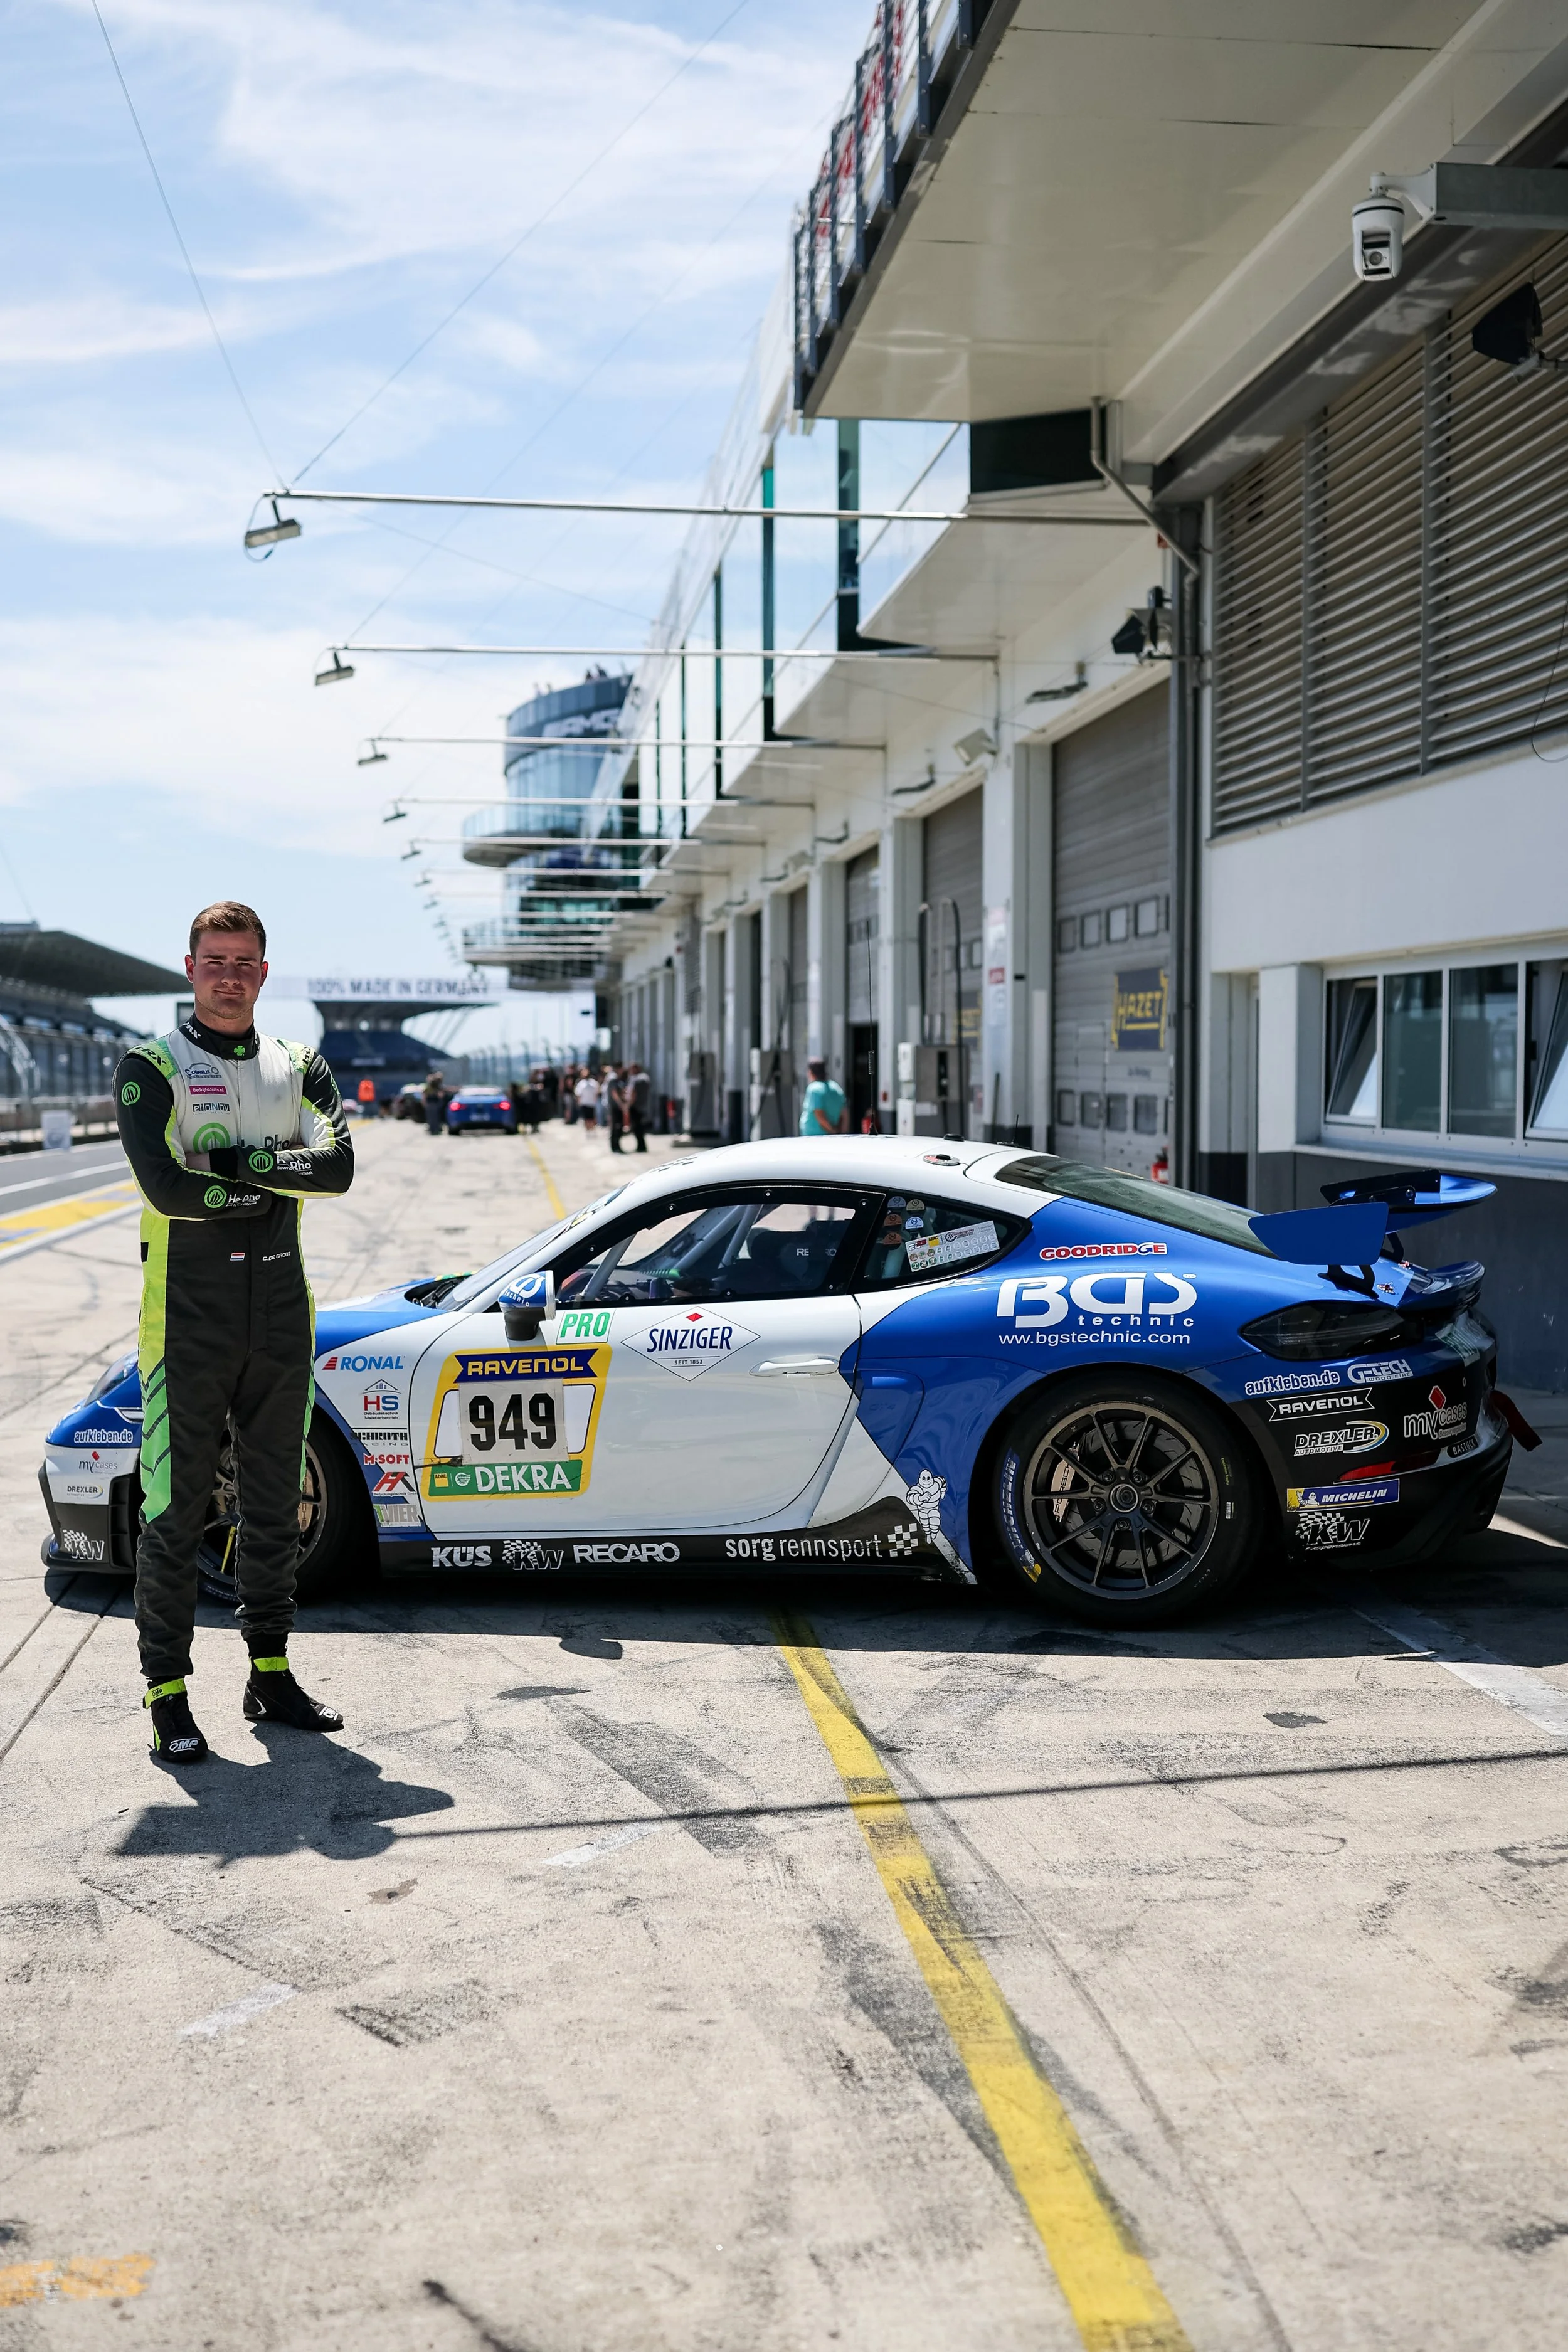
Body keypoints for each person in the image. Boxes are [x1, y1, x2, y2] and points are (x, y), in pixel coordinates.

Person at [115, 902, 352, 1767]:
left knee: (273, 1507)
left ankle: (271, 1672)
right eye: (213, 960)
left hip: (283, 1314)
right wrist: (275, 1170)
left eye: (242, 961)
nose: (227, 974)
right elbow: (167, 1187)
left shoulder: (301, 1065)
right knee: (174, 1513)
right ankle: (167, 1692)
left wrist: (237, 1164)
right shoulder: (151, 1067)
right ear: (190, 967)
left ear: (263, 970)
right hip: (187, 1319)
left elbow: (339, 1167)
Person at [798, 1056, 847, 1136]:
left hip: (816, 1138)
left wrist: (832, 1131)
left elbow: (819, 1114)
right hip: (834, 1138)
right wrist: (841, 1133)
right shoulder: (836, 1087)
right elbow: (845, 1113)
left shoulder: (814, 1089)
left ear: (811, 1072)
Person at [627, 1061, 650, 1153]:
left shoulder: (636, 1079)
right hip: (643, 1106)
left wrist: (628, 1105)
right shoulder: (645, 1078)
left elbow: (633, 1094)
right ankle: (642, 1145)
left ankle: (641, 1146)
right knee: (640, 1127)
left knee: (637, 1128)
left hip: (635, 1106)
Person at [575, 1067, 601, 1131]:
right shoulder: (581, 1083)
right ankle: (588, 1129)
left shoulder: (594, 1082)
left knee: (592, 1117)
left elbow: (598, 1091)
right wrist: (579, 1102)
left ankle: (592, 1128)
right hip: (584, 1103)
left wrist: (595, 1099)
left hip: (592, 1103)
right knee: (586, 1118)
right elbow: (578, 1093)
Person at [421, 1070, 446, 1136]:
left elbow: (424, 1095)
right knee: (435, 1117)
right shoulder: (436, 1087)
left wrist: (424, 1102)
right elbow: (441, 1095)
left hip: (431, 1103)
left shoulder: (431, 1087)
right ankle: (435, 1130)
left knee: (432, 1117)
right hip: (434, 1103)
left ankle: (433, 1130)